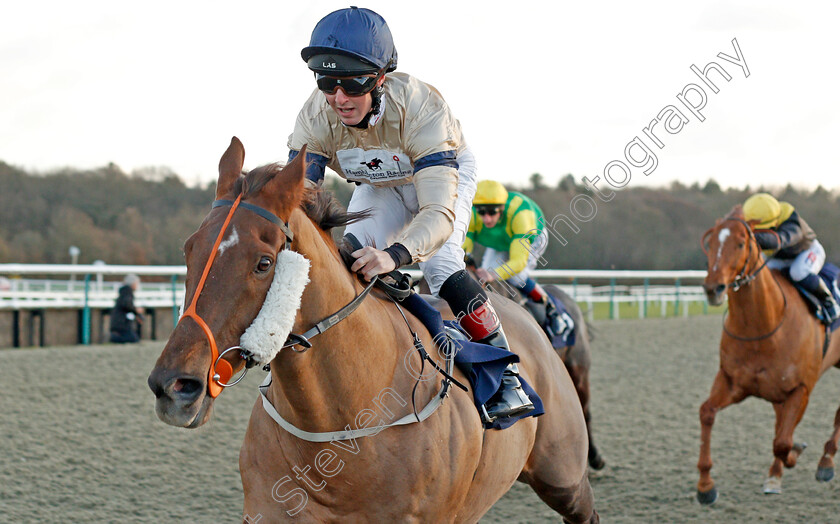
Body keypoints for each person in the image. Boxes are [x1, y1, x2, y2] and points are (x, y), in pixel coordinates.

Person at [287, 7, 533, 422]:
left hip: (439, 176)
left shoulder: (423, 109)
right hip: (381, 181)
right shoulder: (316, 115)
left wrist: (395, 255)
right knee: (347, 252)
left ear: (380, 78)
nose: (338, 98)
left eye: (352, 83)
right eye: (326, 82)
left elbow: (437, 215)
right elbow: (297, 202)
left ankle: (505, 374)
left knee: (440, 263)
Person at [464, 180, 566, 338]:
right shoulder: (472, 214)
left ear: (502, 208)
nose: (487, 218)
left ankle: (550, 308)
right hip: (500, 240)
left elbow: (518, 262)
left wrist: (493, 274)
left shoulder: (521, 215)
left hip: (531, 237)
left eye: (492, 212)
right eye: (482, 212)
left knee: (516, 276)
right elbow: (464, 246)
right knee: (483, 278)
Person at [744, 192, 840, 324]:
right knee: (758, 275)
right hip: (777, 256)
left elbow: (778, 241)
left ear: (774, 222)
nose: (757, 232)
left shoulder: (792, 224)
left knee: (798, 272)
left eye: (760, 230)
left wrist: (750, 237)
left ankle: (829, 301)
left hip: (806, 252)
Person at [110, 274, 144, 343]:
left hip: (119, 323)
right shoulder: (127, 292)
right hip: (121, 324)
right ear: (132, 283)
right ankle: (115, 338)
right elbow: (127, 305)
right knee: (134, 339)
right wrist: (137, 311)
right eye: (136, 283)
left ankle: (115, 337)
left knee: (133, 338)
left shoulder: (124, 292)